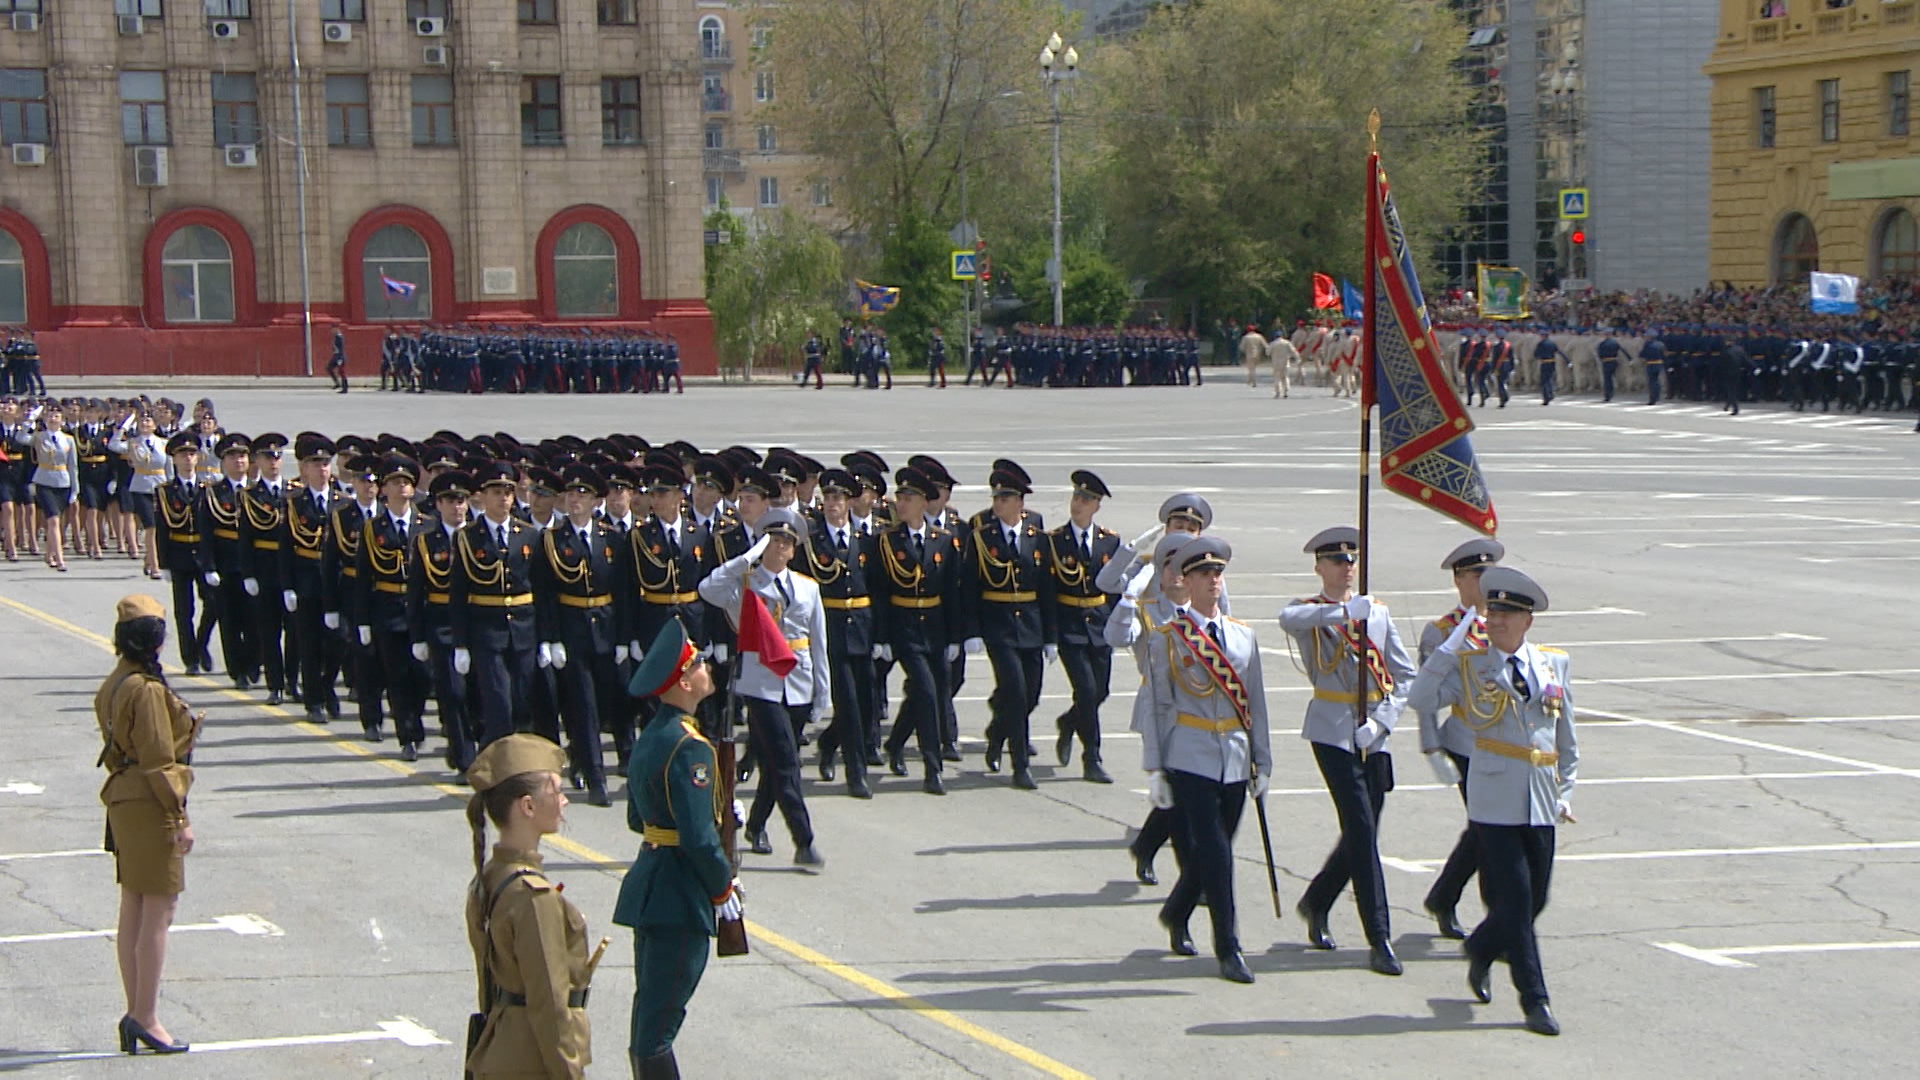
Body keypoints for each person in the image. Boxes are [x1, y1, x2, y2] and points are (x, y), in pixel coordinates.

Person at [1407, 566, 1577, 1037]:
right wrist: (1446, 650)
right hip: (1493, 796)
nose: (1498, 620)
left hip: (1541, 796)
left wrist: (1567, 789)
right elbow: (1419, 698)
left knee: (1535, 897)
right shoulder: (1469, 666)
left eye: (1508, 613)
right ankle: (1535, 999)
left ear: (1528, 621)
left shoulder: (1552, 664)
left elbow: (1566, 734)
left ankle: (1481, 948)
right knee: (1518, 898)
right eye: (1493, 610)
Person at [1278, 526, 1416, 977]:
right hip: (1331, 729)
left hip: (1372, 733)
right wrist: (1340, 614)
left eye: (1351, 560)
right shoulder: (1312, 612)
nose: (1346, 567)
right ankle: (1379, 936)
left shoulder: (1376, 614)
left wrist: (1383, 721)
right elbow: (1288, 619)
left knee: (1366, 829)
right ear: (1319, 568)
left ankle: (1317, 900)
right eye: (1336, 561)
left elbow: (1404, 674)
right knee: (1359, 825)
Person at [1138, 537, 1271, 984]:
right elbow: (1159, 704)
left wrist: (1263, 761)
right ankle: (1228, 947)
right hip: (1189, 754)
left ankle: (1176, 911)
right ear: (1186, 581)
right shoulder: (1168, 639)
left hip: (1233, 758)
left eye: (1218, 574)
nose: (1213, 581)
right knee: (1216, 853)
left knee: (1217, 850)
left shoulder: (1242, 635)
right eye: (1203, 575)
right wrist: (1155, 767)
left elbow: (1256, 703)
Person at [614, 618, 738, 1080]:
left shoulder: (653, 736)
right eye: (699, 663)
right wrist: (723, 889)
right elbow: (699, 839)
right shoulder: (691, 748)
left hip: (652, 883)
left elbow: (637, 818)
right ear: (685, 681)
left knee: (650, 1010)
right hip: (680, 896)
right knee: (659, 1025)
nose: (708, 667)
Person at [95, 594, 202, 1055]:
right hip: (150, 801)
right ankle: (146, 1016)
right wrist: (179, 817)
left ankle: (136, 1010)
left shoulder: (116, 681)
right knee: (159, 912)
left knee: (134, 909)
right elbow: (161, 761)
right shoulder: (147, 690)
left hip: (124, 797)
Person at [462, 733, 597, 1078]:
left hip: (502, 1048)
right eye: (556, 790)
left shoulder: (490, 877)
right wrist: (568, 1071)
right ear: (528, 806)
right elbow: (548, 1003)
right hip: (532, 1061)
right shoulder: (533, 897)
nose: (564, 801)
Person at [698, 507, 828, 866]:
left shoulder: (807, 587)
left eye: (787, 541)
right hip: (760, 685)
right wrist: (747, 559)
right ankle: (805, 840)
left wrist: (823, 692)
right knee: (786, 762)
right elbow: (707, 589)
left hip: (797, 682)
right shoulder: (745, 584)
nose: (780, 547)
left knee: (775, 765)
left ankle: (755, 825)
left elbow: (818, 643)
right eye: (773, 540)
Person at [1415, 537, 1503, 940]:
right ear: (1460, 580)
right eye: (1478, 574)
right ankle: (1494, 922)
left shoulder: (1504, 623)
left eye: (1490, 573)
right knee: (1488, 831)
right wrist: (1431, 746)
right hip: (1466, 742)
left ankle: (1445, 895)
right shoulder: (1441, 633)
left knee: (1486, 830)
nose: (1486, 582)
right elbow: (1426, 697)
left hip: (1506, 744)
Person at [969, 464, 1055, 789]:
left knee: (1031, 694)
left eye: (1005, 496)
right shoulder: (982, 538)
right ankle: (1020, 765)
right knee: (1016, 692)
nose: (998, 502)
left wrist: (1051, 637)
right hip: (998, 626)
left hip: (1031, 625)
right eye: (997, 496)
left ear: (1020, 502)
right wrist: (973, 631)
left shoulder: (1037, 538)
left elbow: (1047, 589)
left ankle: (996, 734)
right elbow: (971, 589)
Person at [1048, 470, 1119, 782]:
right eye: (1076, 497)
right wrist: (1049, 636)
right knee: (1087, 690)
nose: (1078, 503)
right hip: (1069, 626)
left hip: (1099, 626)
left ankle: (1068, 722)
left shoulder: (1110, 542)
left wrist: (1118, 624)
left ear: (1097, 507)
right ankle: (1092, 757)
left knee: (1100, 691)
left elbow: (1115, 589)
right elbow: (1048, 592)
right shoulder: (1054, 541)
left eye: (1086, 499)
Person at [27, 402, 78, 571]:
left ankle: (49, 554)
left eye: (57, 417)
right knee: (53, 520)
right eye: (50, 416)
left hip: (62, 481)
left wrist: (74, 490)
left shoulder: (69, 440)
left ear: (62, 420)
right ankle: (60, 558)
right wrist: (29, 421)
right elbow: (22, 438)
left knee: (56, 521)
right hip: (44, 481)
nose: (53, 419)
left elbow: (73, 466)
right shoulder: (39, 437)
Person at [1238, 324, 1267, 389]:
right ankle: (1250, 380)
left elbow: (1241, 347)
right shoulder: (1259, 336)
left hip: (1249, 354)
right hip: (1257, 354)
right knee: (1254, 368)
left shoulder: (1246, 337)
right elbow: (1265, 345)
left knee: (1251, 368)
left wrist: (1244, 351)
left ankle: (1253, 381)